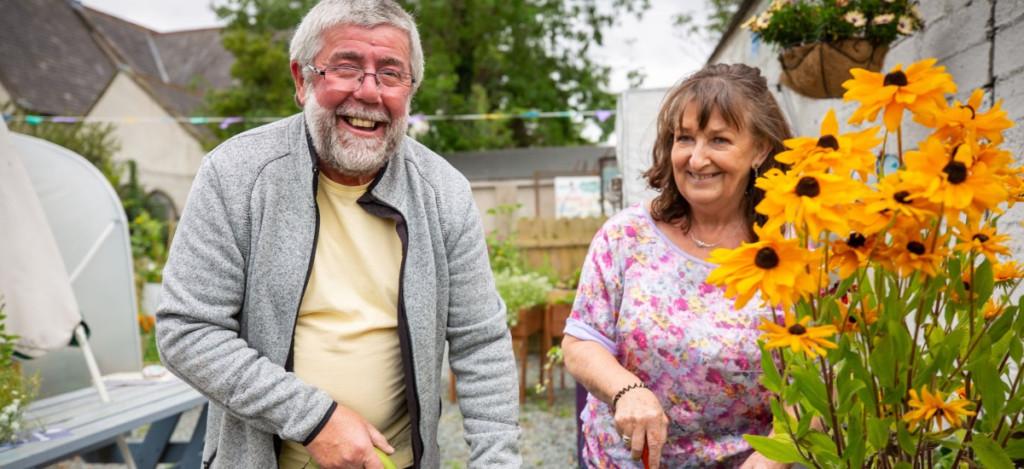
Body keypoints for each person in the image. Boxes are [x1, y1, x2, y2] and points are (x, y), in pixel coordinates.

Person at [155, 1, 520, 468]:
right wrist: (315, 419)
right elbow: (187, 328)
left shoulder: (444, 192)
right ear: (302, 80)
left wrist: (497, 461)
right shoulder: (235, 175)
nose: (369, 92)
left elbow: (481, 343)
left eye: (390, 74)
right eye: (346, 67)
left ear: (410, 91)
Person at [563, 64, 793, 468]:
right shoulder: (626, 237)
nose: (697, 158)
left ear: (759, 149)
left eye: (719, 140)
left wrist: (776, 454)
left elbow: (826, 372)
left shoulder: (795, 249)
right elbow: (581, 342)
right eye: (685, 138)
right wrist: (626, 390)